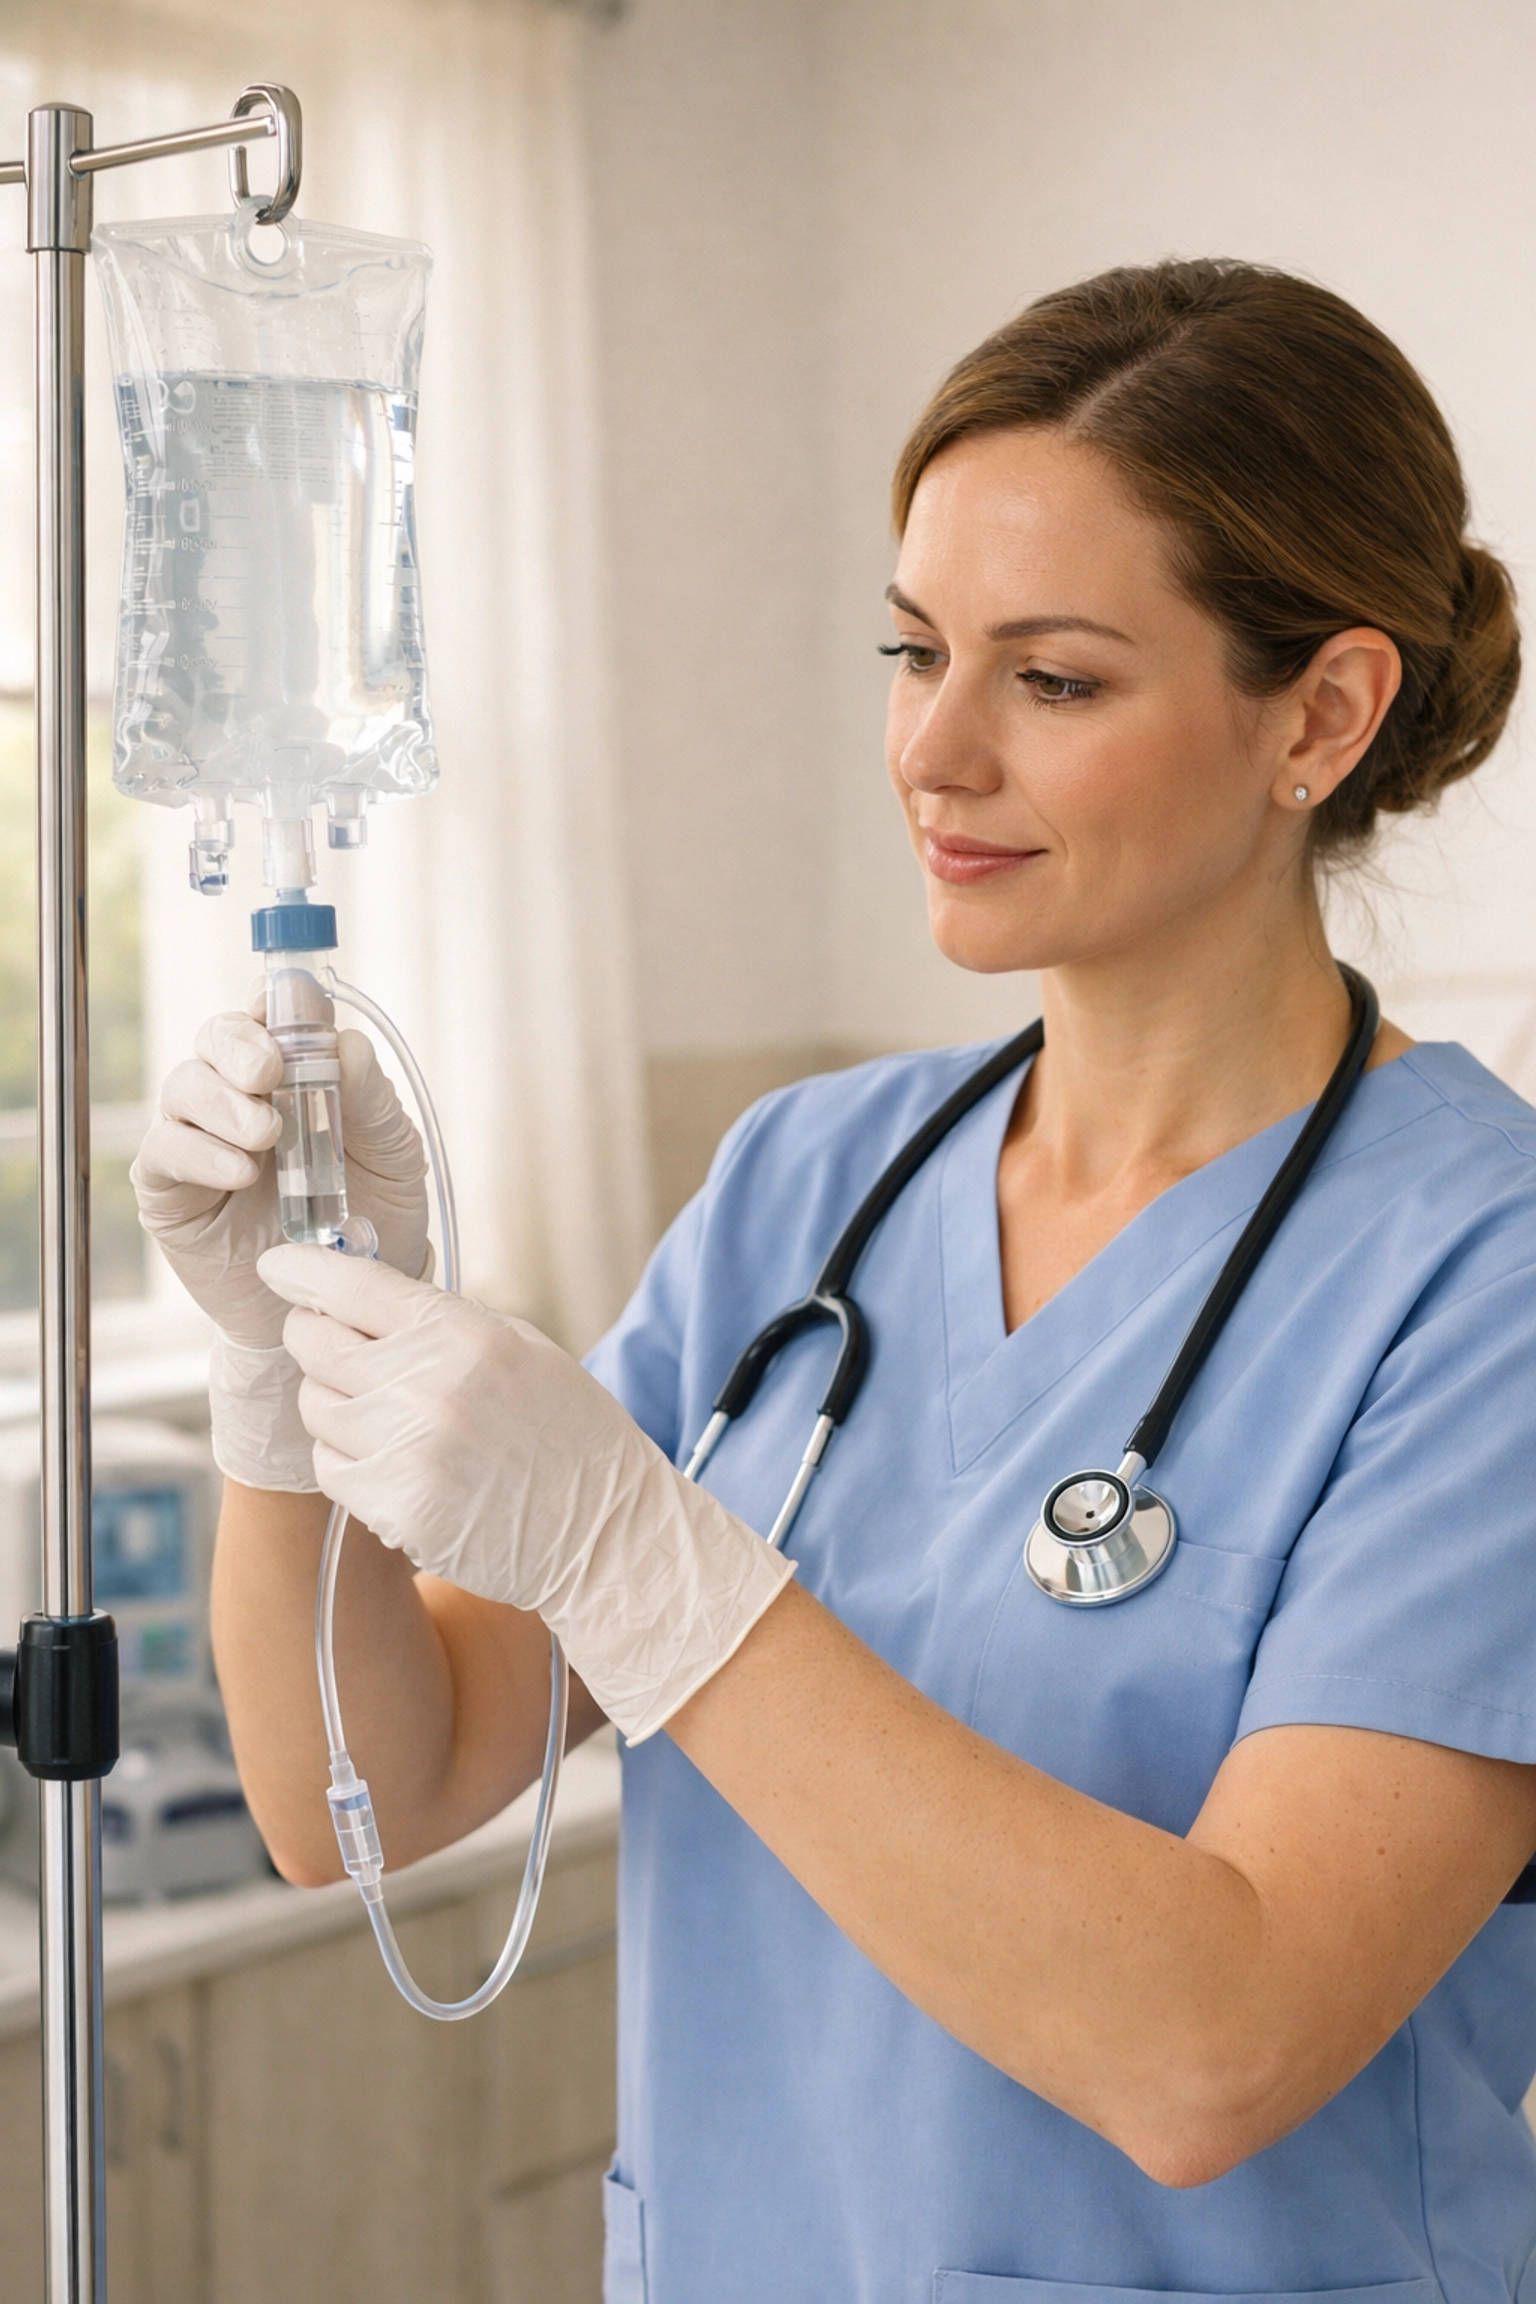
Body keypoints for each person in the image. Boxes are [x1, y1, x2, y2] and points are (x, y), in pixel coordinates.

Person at [132, 259, 1536, 2304]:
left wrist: (653, 1571)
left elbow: (1215, 2047)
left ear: (1320, 713)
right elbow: (374, 1780)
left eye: (1051, 680)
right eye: (912, 649)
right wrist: (280, 1380)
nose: (933, 753)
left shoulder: (1478, 1275)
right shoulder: (816, 1183)